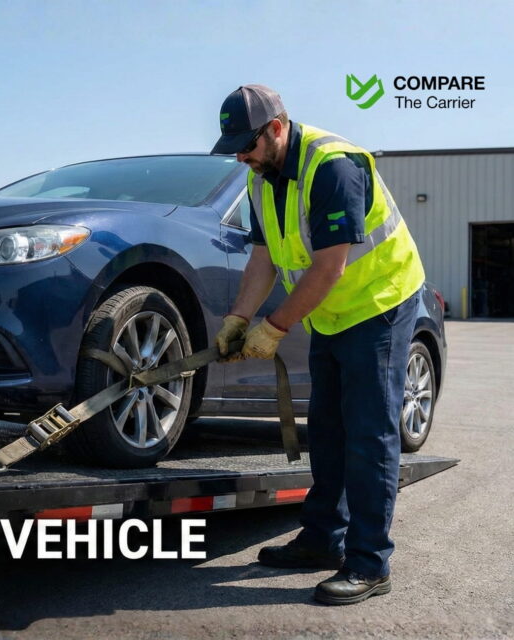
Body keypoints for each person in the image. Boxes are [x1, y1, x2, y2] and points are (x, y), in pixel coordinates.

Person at [210, 84, 425, 605]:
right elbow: (263, 257)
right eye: (234, 146)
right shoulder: (261, 179)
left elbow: (330, 265)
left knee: (369, 435)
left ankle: (370, 564)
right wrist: (239, 318)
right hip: (330, 315)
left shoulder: (333, 166)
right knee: (327, 429)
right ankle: (323, 539)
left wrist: (275, 328)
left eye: (247, 143)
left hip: (380, 304)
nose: (241, 155)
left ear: (277, 128)